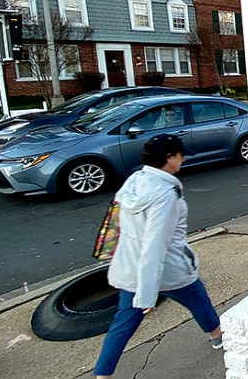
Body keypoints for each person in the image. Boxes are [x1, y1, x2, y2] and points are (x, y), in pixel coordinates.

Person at [94, 134, 222, 378]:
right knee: (198, 301)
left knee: (122, 325)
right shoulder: (165, 194)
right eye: (180, 155)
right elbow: (154, 245)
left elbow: (116, 220)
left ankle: (103, 374)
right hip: (169, 270)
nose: (183, 159)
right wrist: (147, 295)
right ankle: (217, 337)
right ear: (169, 158)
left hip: (130, 268)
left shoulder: (135, 179)